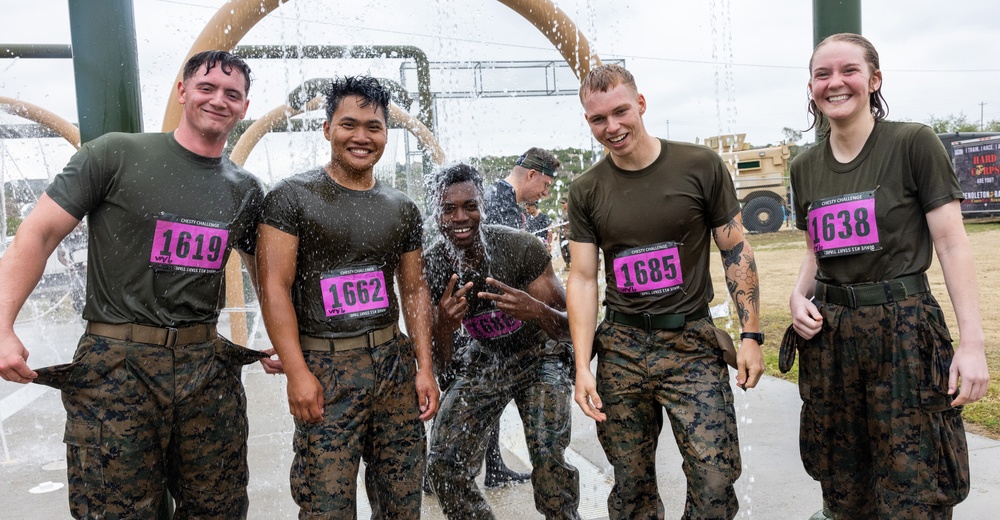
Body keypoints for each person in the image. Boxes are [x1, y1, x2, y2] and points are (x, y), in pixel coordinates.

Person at [0, 50, 279, 518]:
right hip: (116, 370)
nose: (218, 100)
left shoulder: (246, 189)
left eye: (232, 94)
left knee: (219, 508)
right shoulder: (114, 154)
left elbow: (267, 277)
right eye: (207, 87)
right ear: (182, 91)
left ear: (245, 107)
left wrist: (284, 346)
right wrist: (3, 326)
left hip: (206, 371)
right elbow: (39, 233)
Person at [788, 33, 989, 519]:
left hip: (905, 334)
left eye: (849, 71)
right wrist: (798, 295)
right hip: (833, 342)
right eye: (822, 74)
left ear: (874, 79)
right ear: (811, 86)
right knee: (843, 488)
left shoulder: (912, 143)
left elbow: (951, 243)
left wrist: (972, 344)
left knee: (915, 487)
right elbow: (817, 248)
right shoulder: (804, 166)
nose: (835, 82)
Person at [566, 63, 765, 519]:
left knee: (715, 482)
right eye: (599, 119)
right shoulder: (586, 190)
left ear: (640, 104)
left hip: (692, 345)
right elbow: (581, 277)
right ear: (588, 122)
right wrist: (582, 365)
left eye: (620, 112)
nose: (612, 127)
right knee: (632, 488)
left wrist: (751, 337)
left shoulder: (699, 166)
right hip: (622, 350)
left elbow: (735, 249)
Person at [256, 76, 439, 518]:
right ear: (327, 129)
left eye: (373, 127)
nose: (361, 137)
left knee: (402, 504)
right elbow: (273, 287)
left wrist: (425, 368)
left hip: (393, 368)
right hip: (326, 371)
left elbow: (413, 289)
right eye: (349, 124)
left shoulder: (401, 207)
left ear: (385, 134)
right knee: (327, 507)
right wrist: (298, 371)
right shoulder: (291, 197)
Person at [424, 163, 580, 519]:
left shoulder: (520, 248)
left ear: (483, 206)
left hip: (539, 356)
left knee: (548, 460)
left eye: (470, 206)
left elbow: (571, 330)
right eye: (448, 209)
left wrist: (536, 309)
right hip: (487, 358)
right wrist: (445, 327)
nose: (460, 217)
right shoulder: (432, 265)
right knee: (444, 465)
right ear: (436, 213)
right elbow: (441, 363)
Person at [483, 147, 560, 230]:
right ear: (531, 175)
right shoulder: (505, 209)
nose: (545, 193)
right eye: (546, 185)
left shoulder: (491, 193)